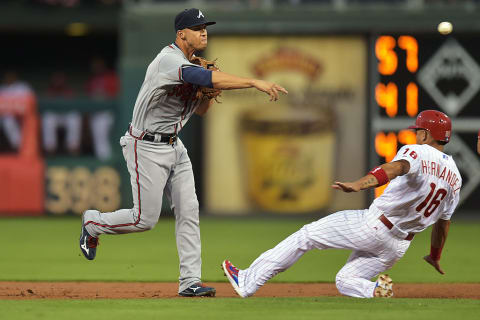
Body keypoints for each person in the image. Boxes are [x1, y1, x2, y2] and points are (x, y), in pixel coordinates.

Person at [79, 8, 287, 297]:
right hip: (145, 145)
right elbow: (204, 78)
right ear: (181, 33)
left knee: (189, 211)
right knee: (144, 220)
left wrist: (207, 95)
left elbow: (201, 110)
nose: (203, 31)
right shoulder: (168, 60)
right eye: (197, 27)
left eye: (205, 27)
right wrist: (253, 82)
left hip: (174, 146)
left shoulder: (193, 67)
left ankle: (190, 282)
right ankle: (92, 222)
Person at [223, 110, 461, 298]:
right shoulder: (455, 177)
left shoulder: (418, 152)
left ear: (425, 135)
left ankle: (248, 281)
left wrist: (360, 184)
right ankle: (374, 290)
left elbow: (394, 169)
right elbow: (443, 224)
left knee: (307, 235)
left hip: (375, 226)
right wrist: (435, 255)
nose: (416, 134)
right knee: (345, 281)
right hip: (398, 246)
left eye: (418, 130)